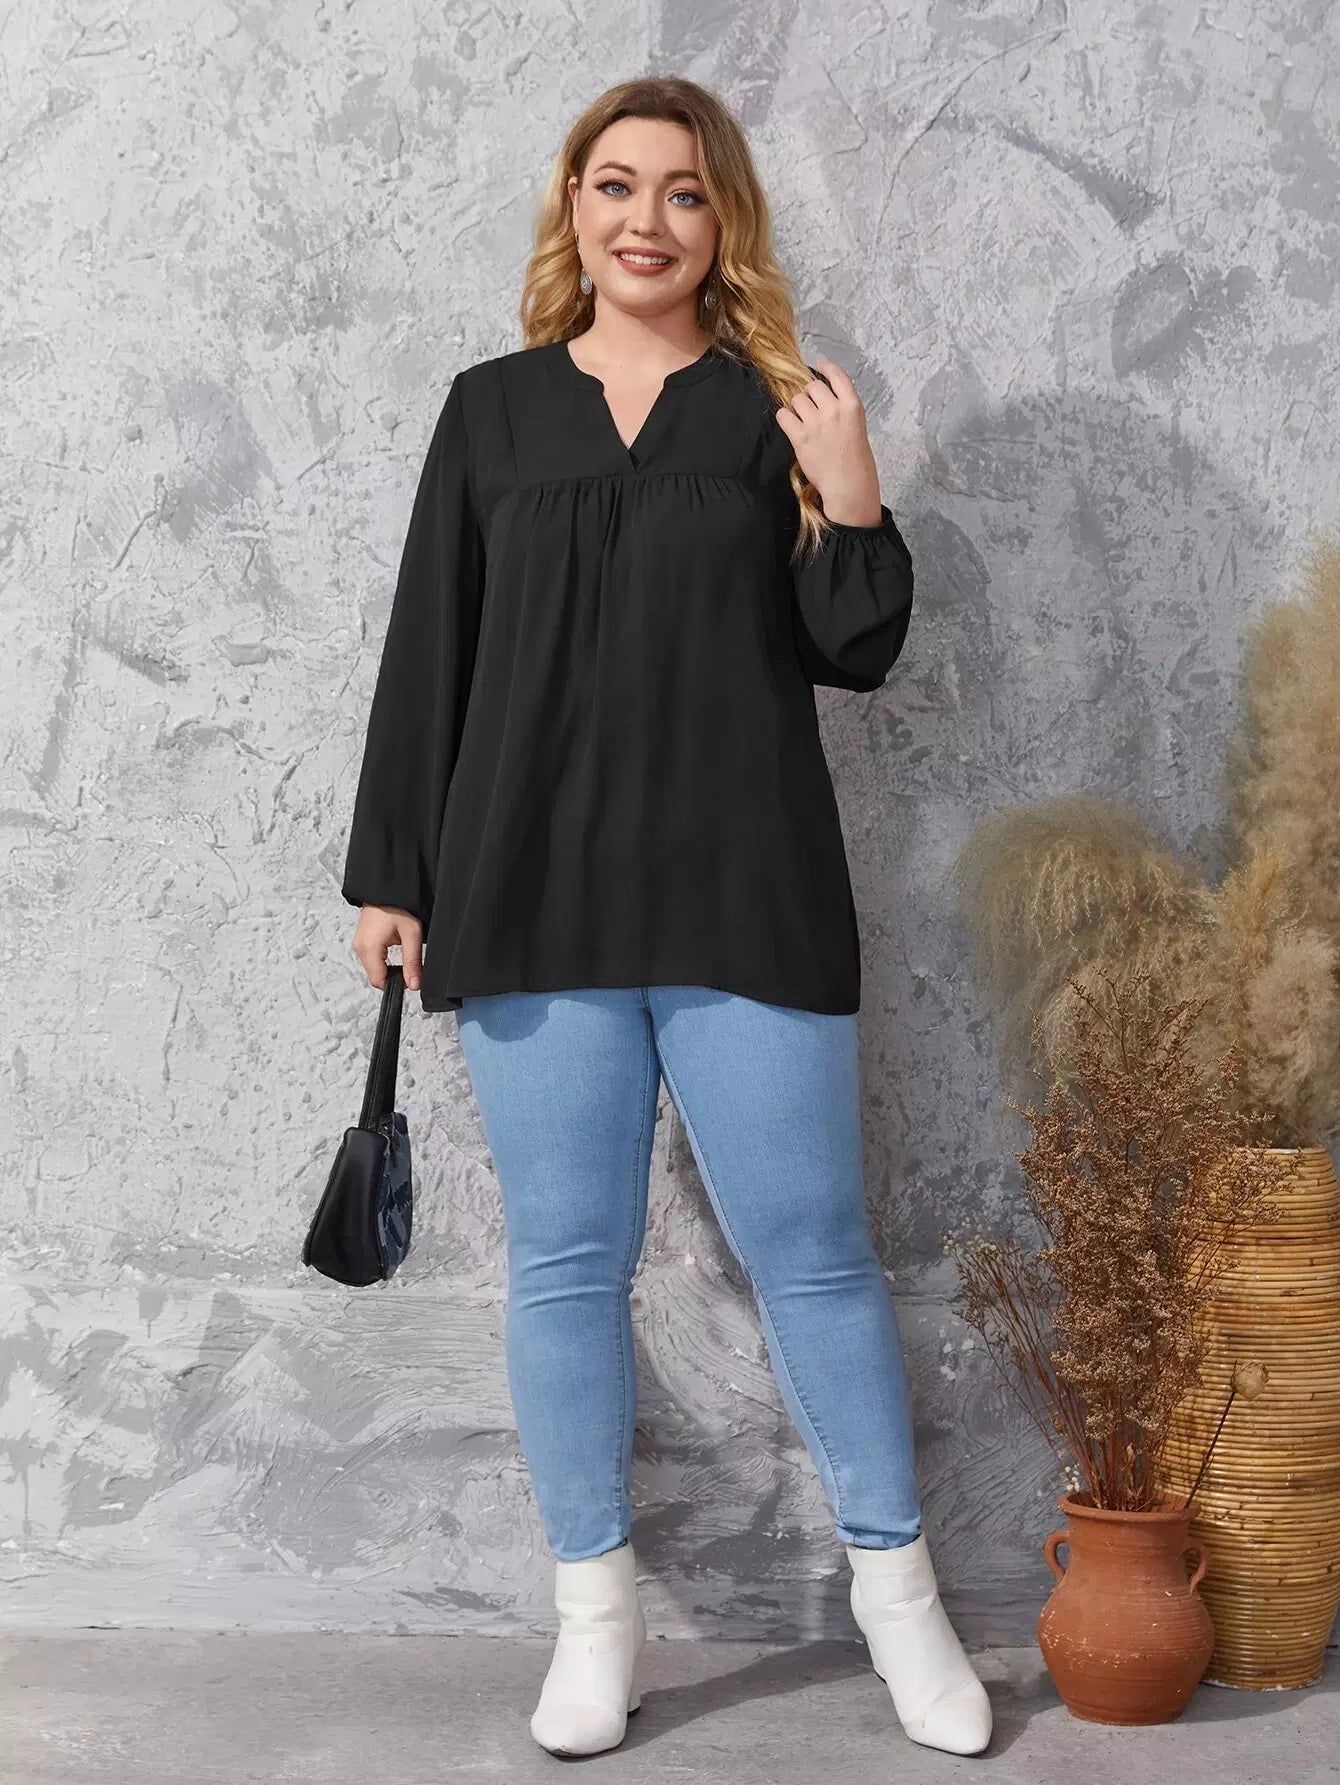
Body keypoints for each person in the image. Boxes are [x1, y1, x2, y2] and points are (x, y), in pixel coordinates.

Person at [340, 75, 991, 1762]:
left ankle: (902, 1603)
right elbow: (430, 652)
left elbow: (856, 652)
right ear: (573, 207)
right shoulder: (490, 414)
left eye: (683, 192)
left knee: (816, 1251)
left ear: (724, 221)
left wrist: (852, 493)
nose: (646, 219)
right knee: (568, 1261)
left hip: (745, 886)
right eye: (615, 185)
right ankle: (595, 1624)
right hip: (527, 887)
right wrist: (393, 872)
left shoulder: (775, 409)